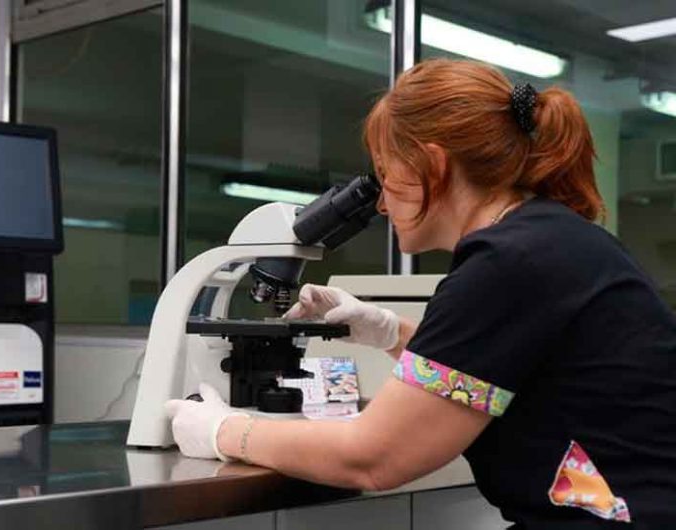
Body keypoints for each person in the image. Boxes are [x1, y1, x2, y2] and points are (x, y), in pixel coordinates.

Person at [164, 59, 676, 528]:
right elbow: (497, 372)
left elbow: (375, 457)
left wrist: (223, 431)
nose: (382, 204)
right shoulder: (548, 237)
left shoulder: (508, 260)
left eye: (385, 176)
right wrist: (387, 331)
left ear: (432, 164)